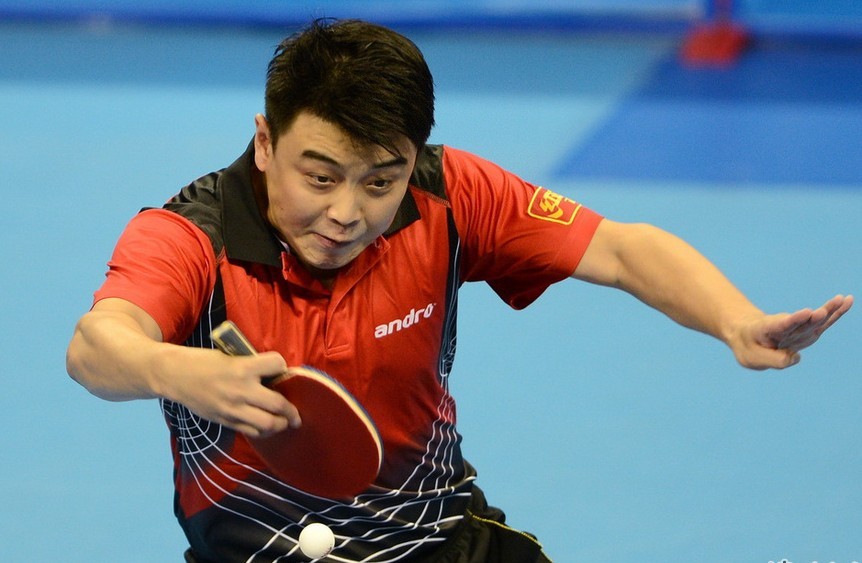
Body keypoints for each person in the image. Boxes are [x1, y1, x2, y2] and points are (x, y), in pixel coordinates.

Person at [66, 18, 852, 563]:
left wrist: (735, 320)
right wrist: (175, 368)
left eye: (380, 180)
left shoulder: (451, 195)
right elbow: (97, 344)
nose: (346, 213)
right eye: (321, 176)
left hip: (438, 538)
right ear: (266, 142)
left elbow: (618, 247)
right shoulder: (189, 235)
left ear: (413, 158)